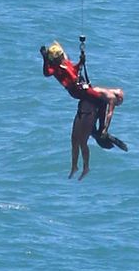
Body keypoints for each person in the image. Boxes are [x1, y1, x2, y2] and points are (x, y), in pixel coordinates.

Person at [41, 40, 125, 180]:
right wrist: (44, 58)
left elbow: (74, 68)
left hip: (82, 90)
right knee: (100, 101)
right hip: (78, 91)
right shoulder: (56, 69)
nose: (63, 57)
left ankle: (96, 136)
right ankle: (97, 136)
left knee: (99, 102)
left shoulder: (64, 63)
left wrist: (81, 62)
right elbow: (47, 72)